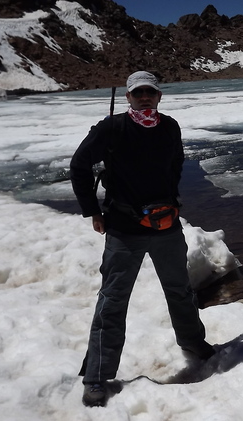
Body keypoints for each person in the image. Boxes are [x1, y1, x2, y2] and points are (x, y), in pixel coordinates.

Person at [70, 71, 215, 407]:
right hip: (124, 230)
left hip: (166, 226)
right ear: (129, 97)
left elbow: (176, 161)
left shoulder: (169, 126)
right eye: (139, 94)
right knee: (112, 300)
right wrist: (92, 210)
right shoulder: (112, 128)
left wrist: (171, 198)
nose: (145, 98)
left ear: (159, 96)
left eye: (150, 93)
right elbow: (79, 165)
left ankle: (193, 342)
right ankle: (96, 376)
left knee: (180, 290)